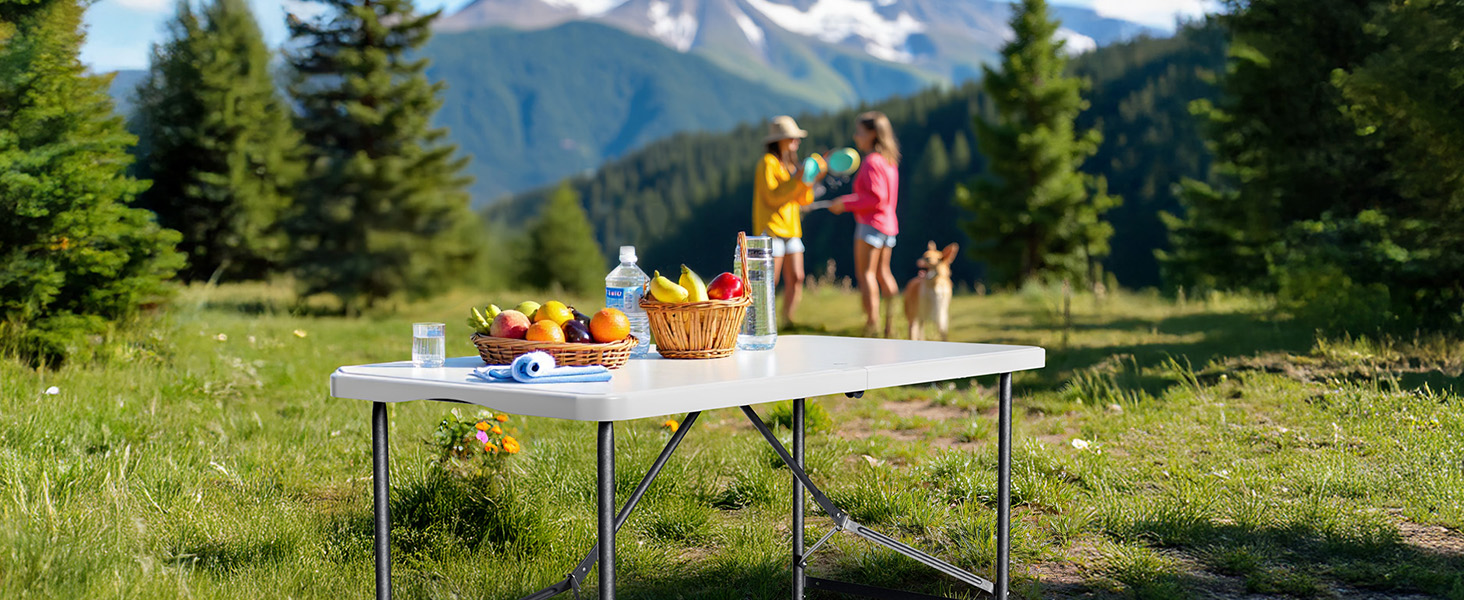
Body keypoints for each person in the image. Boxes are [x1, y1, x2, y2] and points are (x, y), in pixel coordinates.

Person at [829, 111, 900, 337]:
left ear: (872, 134)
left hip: (871, 225)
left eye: (859, 132)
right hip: (889, 225)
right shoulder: (890, 161)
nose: (856, 136)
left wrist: (845, 203)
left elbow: (875, 199)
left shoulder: (871, 161)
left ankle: (872, 324)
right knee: (883, 273)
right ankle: (892, 321)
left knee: (867, 275)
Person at [753, 115, 822, 326]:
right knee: (770, 281)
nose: (797, 142)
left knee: (797, 277)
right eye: (792, 138)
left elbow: (803, 199)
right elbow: (773, 197)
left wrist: (808, 180)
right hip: (772, 229)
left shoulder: (791, 166)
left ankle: (787, 319)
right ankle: (765, 320)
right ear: (779, 140)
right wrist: (798, 180)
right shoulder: (768, 164)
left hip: (791, 229)